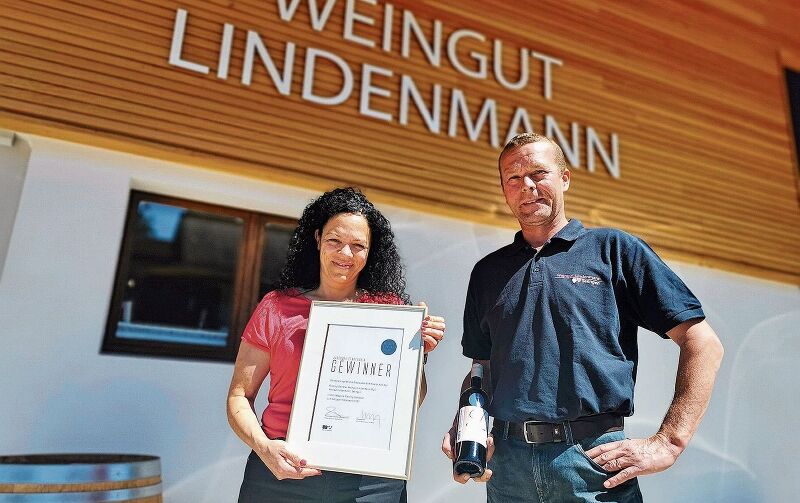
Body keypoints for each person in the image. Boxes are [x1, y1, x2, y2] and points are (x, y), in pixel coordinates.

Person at [441, 133, 724, 502]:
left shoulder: (614, 250)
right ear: (503, 189)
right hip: (507, 470)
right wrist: (466, 425)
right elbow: (482, 368)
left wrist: (669, 441)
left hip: (591, 463)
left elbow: (703, 342)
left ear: (565, 178)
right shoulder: (487, 272)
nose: (527, 186)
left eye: (539, 173)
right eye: (513, 178)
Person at [228, 187, 445, 503]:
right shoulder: (276, 308)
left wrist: (417, 354)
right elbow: (238, 396)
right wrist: (265, 448)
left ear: (370, 252)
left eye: (358, 246)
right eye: (335, 241)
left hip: (370, 481)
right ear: (317, 239)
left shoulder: (390, 311)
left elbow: (410, 402)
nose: (345, 254)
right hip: (280, 469)